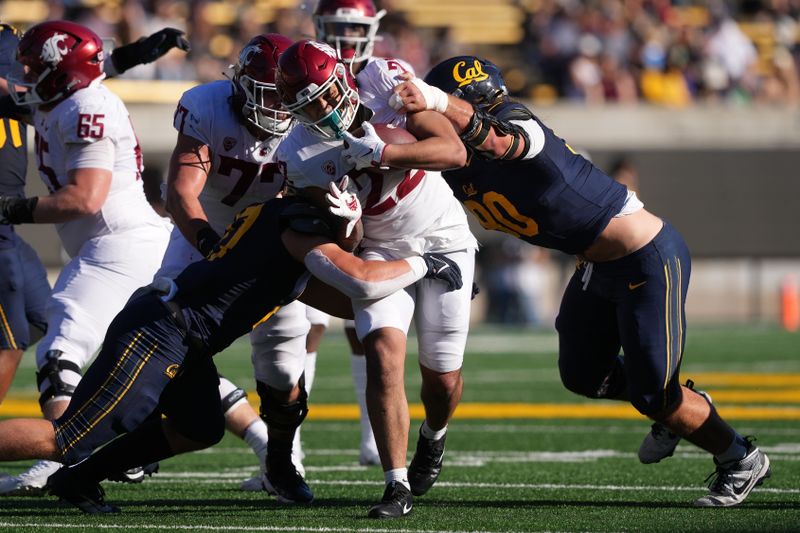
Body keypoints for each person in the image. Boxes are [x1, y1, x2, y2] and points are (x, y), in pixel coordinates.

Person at [385, 55, 772, 508]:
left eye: (443, 106)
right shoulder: (457, 163)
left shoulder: (514, 122)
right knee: (583, 374)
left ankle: (739, 456)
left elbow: (502, 142)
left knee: (653, 394)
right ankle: (681, 407)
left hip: (645, 256)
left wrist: (435, 100)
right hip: (593, 265)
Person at [0, 184, 463, 514]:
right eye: (351, 231)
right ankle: (75, 467)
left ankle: (78, 480)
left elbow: (347, 300)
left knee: (199, 426)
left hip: (182, 336)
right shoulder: (300, 233)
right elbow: (361, 282)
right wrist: (426, 262)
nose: (354, 242)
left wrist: (414, 299)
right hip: (162, 331)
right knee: (69, 438)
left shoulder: (277, 229)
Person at [275, 38, 477, 518]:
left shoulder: (383, 81)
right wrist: (347, 223)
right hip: (380, 250)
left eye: (326, 93)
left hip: (443, 237)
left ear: (343, 76)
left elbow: (453, 152)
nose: (325, 108)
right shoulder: (298, 154)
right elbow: (347, 244)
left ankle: (434, 436)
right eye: (309, 105)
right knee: (383, 351)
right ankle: (396, 484)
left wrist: (384, 151)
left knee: (442, 379)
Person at [0, 21, 183, 494]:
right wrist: (138, 53)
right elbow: (67, 74)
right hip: (128, 243)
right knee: (175, 363)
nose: (24, 70)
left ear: (59, 71)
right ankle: (270, 444)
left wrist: (8, 209)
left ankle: (68, 461)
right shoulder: (63, 97)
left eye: (34, 63)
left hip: (115, 247)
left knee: (59, 357)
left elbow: (84, 199)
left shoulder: (84, 106)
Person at [157, 32, 316, 498]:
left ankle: (284, 462)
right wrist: (211, 243)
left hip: (274, 245)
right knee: (157, 337)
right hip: (206, 230)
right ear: (242, 86)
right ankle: (132, 448)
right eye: (268, 94)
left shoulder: (312, 117)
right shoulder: (206, 106)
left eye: (286, 96)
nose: (278, 107)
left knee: (283, 369)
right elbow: (181, 192)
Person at [311, 0, 385, 468]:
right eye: (337, 26)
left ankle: (371, 438)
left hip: (375, 211)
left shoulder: (383, 75)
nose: (347, 36)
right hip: (316, 198)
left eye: (355, 27)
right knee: (305, 324)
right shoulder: (306, 64)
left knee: (369, 328)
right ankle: (287, 452)